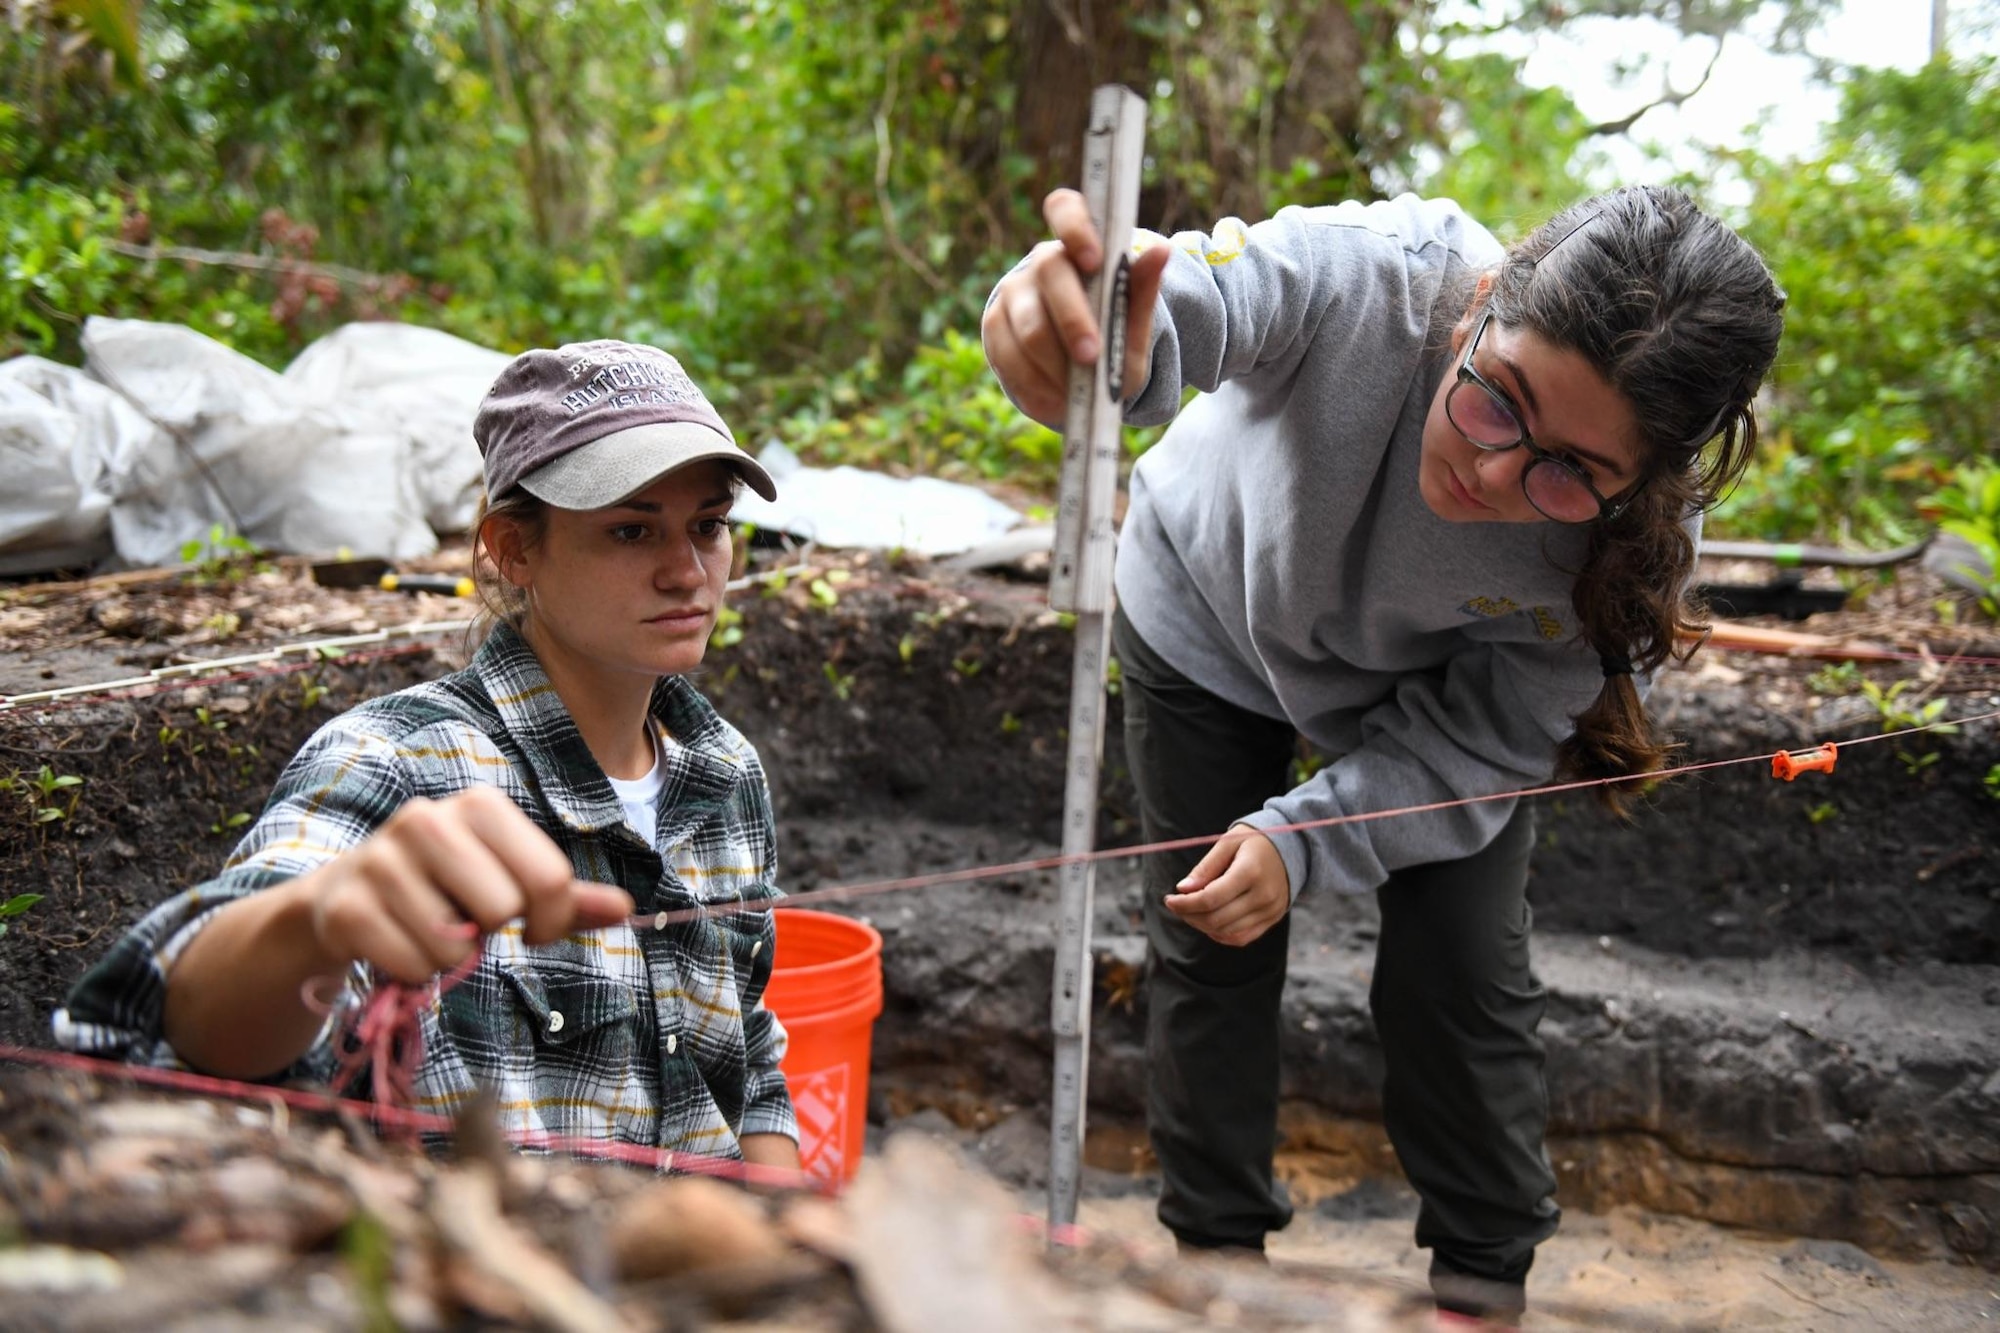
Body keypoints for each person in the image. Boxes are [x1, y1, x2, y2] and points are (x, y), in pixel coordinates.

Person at [984, 185, 1783, 1317]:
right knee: (1207, 941)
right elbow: (1192, 302)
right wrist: (1086, 336)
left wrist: (1303, 840)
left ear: (1637, 483)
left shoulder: (1622, 550)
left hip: (1430, 699)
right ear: (1474, 313)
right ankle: (1214, 1271)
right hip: (1206, 612)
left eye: (1566, 471)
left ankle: (1478, 1280)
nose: (1492, 474)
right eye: (1494, 401)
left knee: (1457, 965)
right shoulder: (1363, 273)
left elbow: (1486, 741)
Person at [57, 340, 801, 1172]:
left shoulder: (724, 774)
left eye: (708, 525)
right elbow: (185, 1033)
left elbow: (749, 1058)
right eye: (631, 530)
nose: (686, 570)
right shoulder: (395, 764)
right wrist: (315, 921)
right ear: (514, 551)